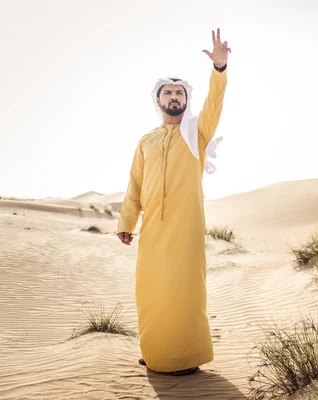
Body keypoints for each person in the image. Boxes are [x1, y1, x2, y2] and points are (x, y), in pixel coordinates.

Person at [116, 28, 230, 376]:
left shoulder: (195, 133)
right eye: (168, 92)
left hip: (186, 228)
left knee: (184, 293)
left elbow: (214, 104)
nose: (174, 97)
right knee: (151, 292)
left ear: (185, 100)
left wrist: (219, 70)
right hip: (152, 230)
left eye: (180, 92)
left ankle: (184, 356)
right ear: (158, 100)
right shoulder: (146, 141)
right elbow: (135, 185)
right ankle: (155, 352)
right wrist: (126, 223)